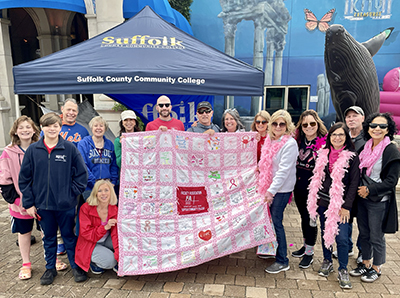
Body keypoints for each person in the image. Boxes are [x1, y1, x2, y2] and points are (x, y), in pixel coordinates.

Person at [18, 112, 88, 285]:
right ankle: (50, 269)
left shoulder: (70, 148)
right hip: (43, 206)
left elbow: (82, 175)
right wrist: (29, 203)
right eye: (48, 125)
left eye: (55, 125)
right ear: (42, 128)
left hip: (66, 205)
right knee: (48, 238)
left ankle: (75, 266)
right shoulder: (34, 150)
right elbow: (24, 179)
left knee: (69, 237)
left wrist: (71, 193)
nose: (52, 128)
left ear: (60, 127)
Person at [307, 122, 360, 289]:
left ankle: (343, 268)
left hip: (341, 205)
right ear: (329, 137)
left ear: (346, 137)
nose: (337, 138)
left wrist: (347, 207)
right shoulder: (323, 153)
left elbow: (354, 184)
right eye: (334, 134)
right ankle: (327, 260)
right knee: (325, 233)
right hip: (323, 202)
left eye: (341, 135)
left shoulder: (351, 156)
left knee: (342, 238)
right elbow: (317, 178)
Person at [350, 113, 400, 283]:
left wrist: (370, 190)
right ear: (368, 127)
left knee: (376, 236)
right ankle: (365, 263)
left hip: (378, 200)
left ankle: (377, 267)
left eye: (382, 126)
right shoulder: (366, 146)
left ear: (388, 130)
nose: (377, 129)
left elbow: (391, 181)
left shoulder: (390, 150)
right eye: (373, 125)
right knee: (364, 233)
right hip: (362, 199)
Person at [258, 109, 298, 274]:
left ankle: (283, 260)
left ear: (287, 125)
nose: (278, 126)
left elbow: (283, 171)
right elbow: (265, 163)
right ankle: (271, 251)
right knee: (270, 221)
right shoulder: (270, 139)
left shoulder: (290, 143)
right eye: (275, 123)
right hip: (270, 187)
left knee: (276, 222)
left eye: (282, 124)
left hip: (281, 190)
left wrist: (270, 191)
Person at [0, 116, 40, 279]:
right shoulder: (8, 152)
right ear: (16, 131)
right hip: (20, 204)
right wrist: (18, 201)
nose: (25, 130)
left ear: (34, 130)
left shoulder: (40, 149)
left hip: (42, 201)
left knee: (46, 231)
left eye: (28, 127)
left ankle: (51, 259)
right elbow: (5, 181)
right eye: (21, 127)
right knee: (24, 233)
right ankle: (26, 264)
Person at [292, 110, 327, 269]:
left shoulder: (325, 143)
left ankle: (310, 253)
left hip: (315, 189)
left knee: (311, 220)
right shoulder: (297, 141)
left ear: (317, 123)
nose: (309, 127)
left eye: (312, 123)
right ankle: (305, 245)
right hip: (298, 186)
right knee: (303, 218)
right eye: (305, 124)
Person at [333, 106, 366, 263]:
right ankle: (349, 247)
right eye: (348, 117)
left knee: (363, 223)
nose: (351, 119)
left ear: (362, 118)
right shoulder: (344, 137)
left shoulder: (368, 138)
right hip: (346, 190)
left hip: (363, 188)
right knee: (348, 219)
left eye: (355, 116)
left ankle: (363, 251)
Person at [75, 180, 119, 274]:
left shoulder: (114, 208)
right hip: (90, 243)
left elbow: (116, 235)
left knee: (122, 241)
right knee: (111, 262)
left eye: (106, 190)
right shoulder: (86, 208)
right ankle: (92, 263)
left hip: (105, 239)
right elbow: (86, 234)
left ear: (111, 192)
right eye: (100, 191)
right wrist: (105, 227)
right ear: (95, 193)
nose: (103, 193)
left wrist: (120, 257)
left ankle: (108, 254)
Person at [78, 116, 119, 198]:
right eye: (95, 126)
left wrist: (113, 182)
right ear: (91, 128)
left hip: (107, 186)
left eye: (101, 126)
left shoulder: (110, 144)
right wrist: (94, 183)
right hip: (89, 187)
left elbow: (114, 165)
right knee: (92, 209)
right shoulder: (83, 144)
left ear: (105, 128)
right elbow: (83, 165)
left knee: (106, 210)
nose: (98, 128)